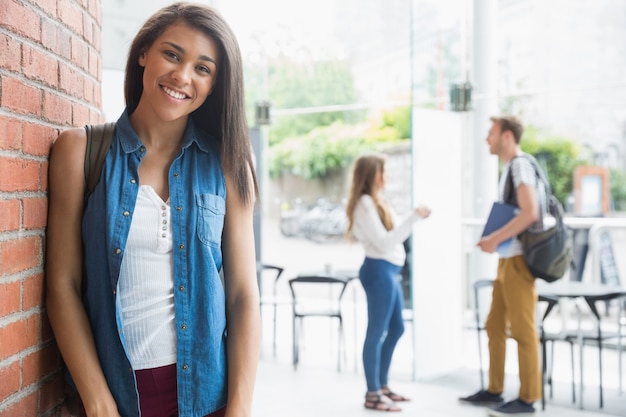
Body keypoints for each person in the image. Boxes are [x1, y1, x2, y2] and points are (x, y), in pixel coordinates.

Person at [45, 3, 260, 417]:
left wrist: (240, 407)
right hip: (117, 399)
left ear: (215, 84)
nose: (182, 76)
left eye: (203, 68)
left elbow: (242, 296)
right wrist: (98, 401)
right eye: (173, 54)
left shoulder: (229, 165)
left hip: (209, 398)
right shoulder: (81, 153)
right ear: (144, 52)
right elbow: (63, 284)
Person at [459, 116, 546, 416]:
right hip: (507, 260)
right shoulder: (511, 168)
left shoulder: (520, 165)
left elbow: (530, 212)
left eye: (491, 133)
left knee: (523, 330)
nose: (487, 138)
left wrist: (493, 239)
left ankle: (528, 398)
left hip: (519, 260)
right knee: (495, 324)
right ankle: (494, 390)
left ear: (507, 136)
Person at [345, 153, 431, 412]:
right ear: (373, 175)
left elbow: (390, 236)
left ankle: (381, 386)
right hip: (378, 271)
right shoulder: (364, 204)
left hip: (389, 271)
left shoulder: (376, 202)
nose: (387, 177)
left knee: (397, 328)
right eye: (384, 172)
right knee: (376, 331)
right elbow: (385, 242)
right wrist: (414, 217)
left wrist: (411, 218)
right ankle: (372, 393)